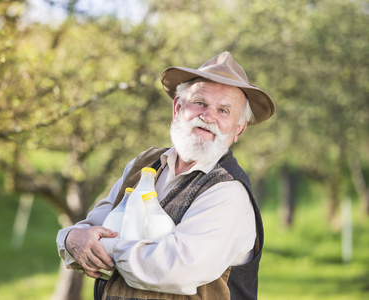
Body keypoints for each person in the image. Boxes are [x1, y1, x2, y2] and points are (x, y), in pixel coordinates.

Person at [56, 51, 275, 300]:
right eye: (200, 103)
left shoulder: (229, 191)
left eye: (224, 111)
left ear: (239, 128)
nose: (208, 116)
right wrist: (71, 237)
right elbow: (93, 227)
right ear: (178, 107)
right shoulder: (143, 164)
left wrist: (97, 248)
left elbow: (174, 268)